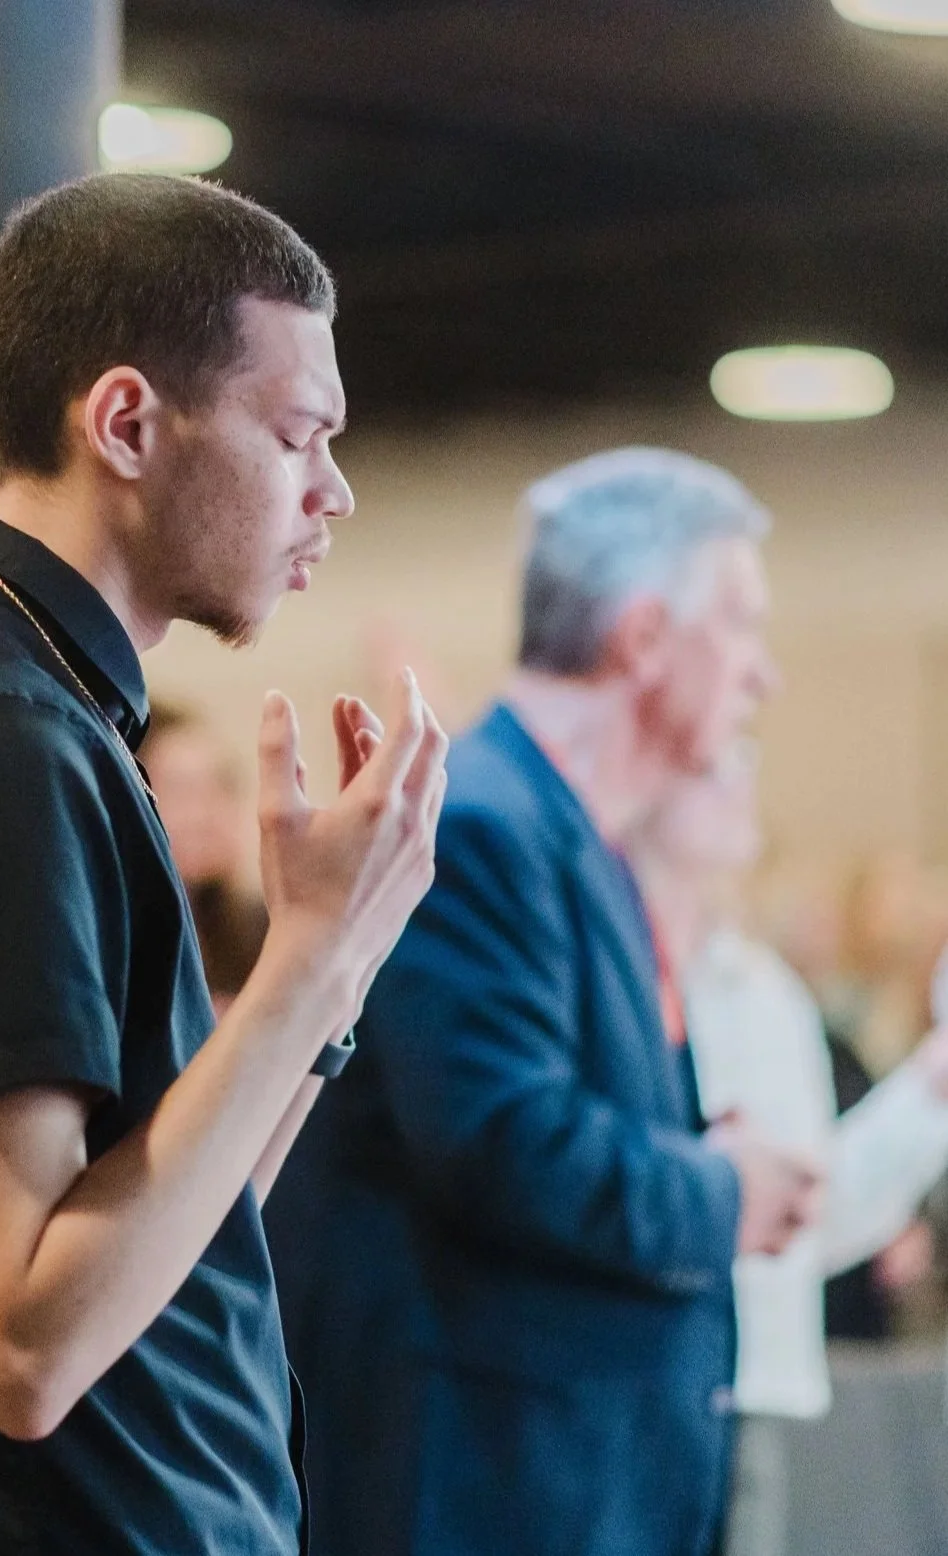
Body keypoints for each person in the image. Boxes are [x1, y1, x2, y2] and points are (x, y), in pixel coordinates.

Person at [0, 171, 448, 1555]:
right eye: (299, 435)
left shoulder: (34, 708)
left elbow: (175, 1226)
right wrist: (302, 967)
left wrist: (332, 965)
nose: (333, 492)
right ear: (125, 422)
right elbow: (23, 1348)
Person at [267, 446, 819, 1556]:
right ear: (643, 636)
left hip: (549, 1471)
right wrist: (718, 1192)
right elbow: (500, 1143)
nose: (762, 674)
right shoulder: (484, 821)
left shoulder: (559, 828)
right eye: (740, 626)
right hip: (482, 1479)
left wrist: (693, 1149)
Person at [632, 745, 948, 1556]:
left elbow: (810, 1217)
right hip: (628, 1392)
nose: (743, 782)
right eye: (713, 766)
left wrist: (930, 1087)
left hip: (753, 1392)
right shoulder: (606, 973)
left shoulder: (765, 994)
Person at [138, 700, 267, 1012]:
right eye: (182, 791)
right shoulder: (119, 942)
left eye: (220, 787)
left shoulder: (260, 926)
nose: (205, 814)